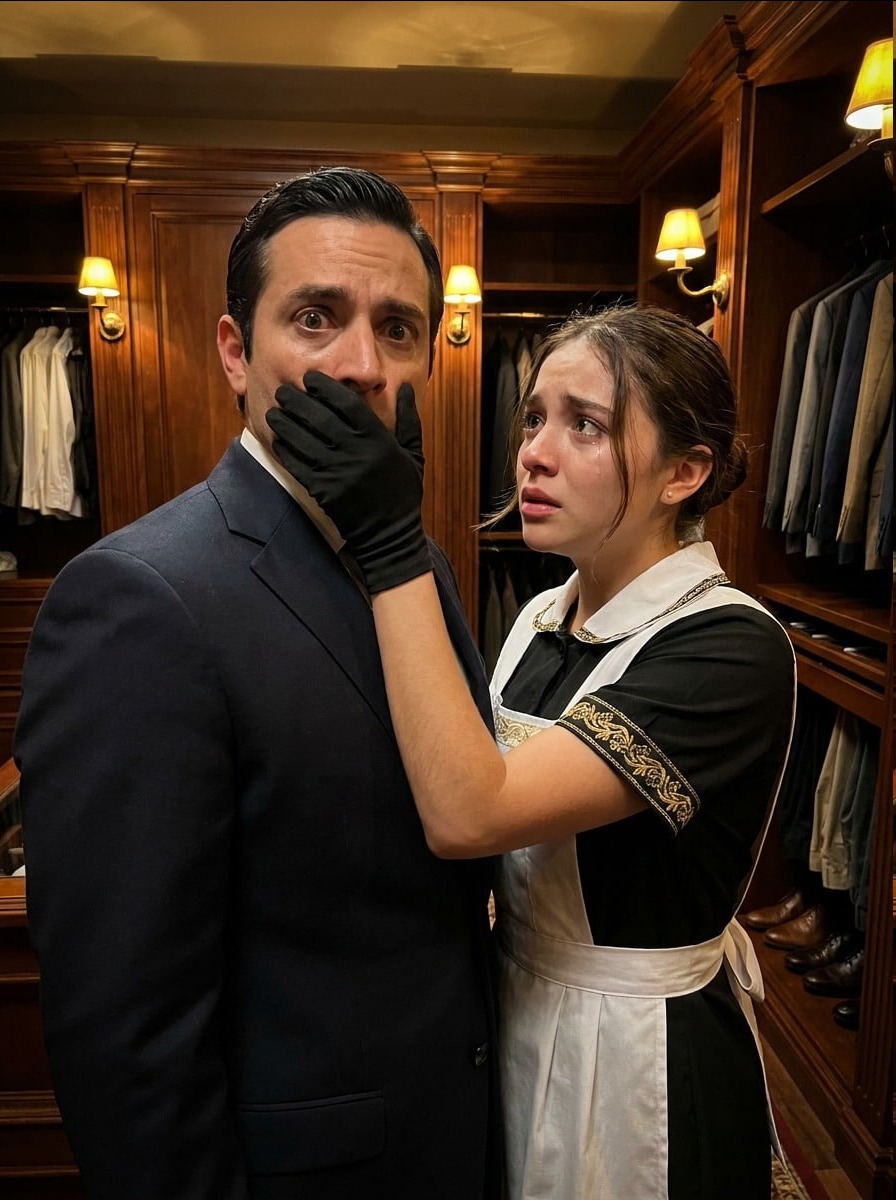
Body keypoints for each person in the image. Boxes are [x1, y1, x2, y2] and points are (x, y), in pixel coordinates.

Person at [14, 166, 502, 1200]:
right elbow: (126, 1034)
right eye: (316, 319)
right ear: (236, 352)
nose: (362, 366)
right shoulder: (139, 598)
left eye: (398, 329)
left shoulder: (419, 564)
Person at [265, 303, 799, 1200]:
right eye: (535, 418)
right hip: (515, 1004)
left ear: (684, 472)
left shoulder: (730, 647)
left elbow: (473, 812)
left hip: (633, 1054)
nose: (534, 455)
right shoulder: (545, 615)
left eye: (585, 425)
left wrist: (392, 545)